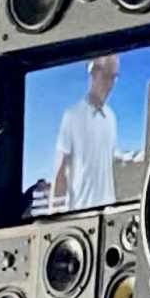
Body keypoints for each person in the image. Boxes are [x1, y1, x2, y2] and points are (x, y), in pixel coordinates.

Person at [49, 53, 124, 213]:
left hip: (108, 213)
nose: (111, 84)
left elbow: (110, 162)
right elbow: (60, 172)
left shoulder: (111, 118)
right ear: (93, 73)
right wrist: (53, 218)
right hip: (80, 213)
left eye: (114, 77)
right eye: (107, 76)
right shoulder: (72, 116)